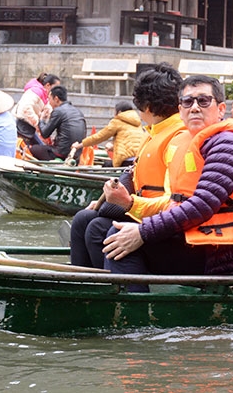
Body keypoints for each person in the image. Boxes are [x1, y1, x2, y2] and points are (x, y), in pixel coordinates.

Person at [102, 75, 233, 288]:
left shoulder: (228, 144)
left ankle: (132, 308)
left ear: (221, 109)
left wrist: (143, 231)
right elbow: (176, 201)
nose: (195, 107)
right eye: (188, 102)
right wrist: (131, 208)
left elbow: (203, 204)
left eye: (203, 101)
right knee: (110, 232)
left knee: (117, 235)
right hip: (196, 240)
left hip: (224, 253)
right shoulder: (191, 143)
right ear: (180, 110)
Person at [70, 63, 189, 269]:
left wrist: (128, 202)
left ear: (147, 107)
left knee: (98, 228)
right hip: (146, 211)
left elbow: (175, 201)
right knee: (84, 219)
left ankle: (109, 283)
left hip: (163, 221)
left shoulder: (178, 137)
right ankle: (85, 281)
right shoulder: (154, 131)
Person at [71, 101, 148, 168]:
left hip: (126, 160)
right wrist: (114, 148)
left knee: (106, 166)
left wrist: (79, 145)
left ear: (119, 112)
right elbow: (130, 144)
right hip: (140, 158)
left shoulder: (117, 121)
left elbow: (100, 136)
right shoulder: (138, 123)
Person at [30, 85, 86, 161]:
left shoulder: (58, 111)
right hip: (77, 154)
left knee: (34, 149)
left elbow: (45, 134)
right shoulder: (78, 112)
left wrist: (42, 119)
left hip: (62, 154)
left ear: (56, 99)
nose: (49, 102)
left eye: (49, 99)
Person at [15, 73, 60, 147]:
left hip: (29, 126)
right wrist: (37, 123)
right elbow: (25, 108)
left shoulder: (45, 95)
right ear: (48, 85)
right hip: (22, 125)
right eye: (55, 87)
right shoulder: (36, 91)